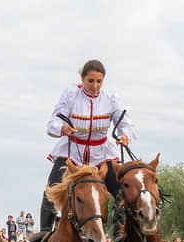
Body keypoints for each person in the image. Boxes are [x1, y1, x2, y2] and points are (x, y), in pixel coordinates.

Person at [40, 59, 135, 232]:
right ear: (82, 79)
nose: (95, 85)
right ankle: (43, 236)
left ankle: (119, 236)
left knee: (122, 194)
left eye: (99, 81)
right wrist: (63, 128)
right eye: (91, 81)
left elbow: (125, 123)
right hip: (72, 152)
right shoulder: (70, 97)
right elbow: (52, 123)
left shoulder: (111, 100)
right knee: (52, 190)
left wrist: (125, 135)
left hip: (102, 154)